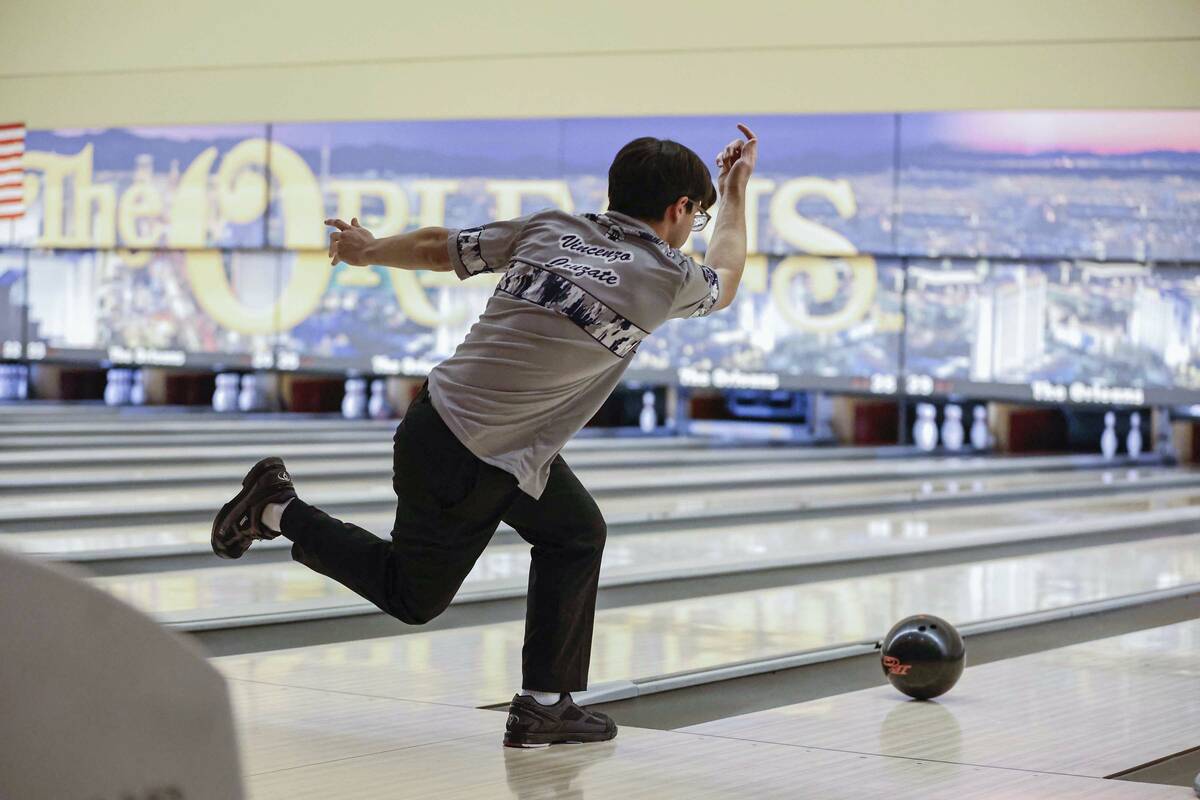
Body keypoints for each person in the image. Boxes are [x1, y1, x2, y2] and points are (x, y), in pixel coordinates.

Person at [211, 124, 759, 747]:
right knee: (412, 596)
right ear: (679, 209)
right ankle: (276, 508)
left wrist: (366, 251)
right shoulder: (664, 275)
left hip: (458, 429)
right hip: (470, 454)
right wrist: (736, 189)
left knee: (576, 532)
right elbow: (728, 272)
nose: (698, 223)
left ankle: (545, 703)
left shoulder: (553, 227)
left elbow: (436, 247)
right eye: (700, 213)